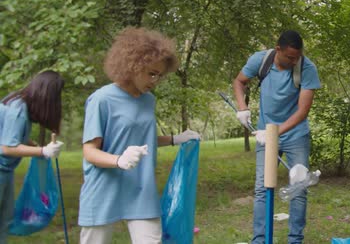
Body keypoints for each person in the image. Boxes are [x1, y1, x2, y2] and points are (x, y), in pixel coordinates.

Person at [78, 27, 201, 244]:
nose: (155, 80)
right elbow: (89, 151)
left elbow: (142, 139)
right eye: (151, 73)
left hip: (141, 187)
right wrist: (119, 160)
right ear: (133, 65)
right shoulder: (101, 99)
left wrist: (175, 139)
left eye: (160, 76)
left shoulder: (148, 100)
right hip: (103, 188)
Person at [233, 30, 321, 244]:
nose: (294, 61)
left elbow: (302, 112)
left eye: (297, 57)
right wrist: (242, 108)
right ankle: (260, 240)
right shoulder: (260, 60)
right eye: (290, 57)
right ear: (278, 49)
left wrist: (273, 133)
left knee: (298, 188)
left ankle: (295, 240)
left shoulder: (306, 68)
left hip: (295, 135)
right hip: (266, 134)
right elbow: (239, 81)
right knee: (263, 188)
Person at [0, 70, 65, 242]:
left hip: (5, 171)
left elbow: (10, 134)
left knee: (4, 221)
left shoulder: (18, 102)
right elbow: (7, 147)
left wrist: (33, 145)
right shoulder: (18, 110)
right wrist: (43, 151)